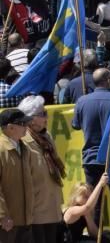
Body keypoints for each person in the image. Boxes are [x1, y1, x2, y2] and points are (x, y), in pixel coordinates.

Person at [71, 68, 110, 243]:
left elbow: (75, 125)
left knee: (94, 202)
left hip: (91, 158)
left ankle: (96, 237)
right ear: (109, 80)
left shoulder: (82, 101)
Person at [18, 97, 64, 243]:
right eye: (43, 113)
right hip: (36, 210)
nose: (47, 116)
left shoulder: (46, 136)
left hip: (51, 206)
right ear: (31, 119)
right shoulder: (23, 141)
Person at [0, 108, 35, 243]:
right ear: (10, 127)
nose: (26, 127)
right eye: (22, 124)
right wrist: (2, 215)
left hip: (25, 221)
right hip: (7, 223)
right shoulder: (1, 149)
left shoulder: (24, 148)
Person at [62, 177, 110, 243]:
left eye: (90, 196)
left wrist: (88, 216)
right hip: (69, 241)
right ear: (75, 196)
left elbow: (94, 234)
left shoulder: (85, 212)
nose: (89, 199)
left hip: (78, 238)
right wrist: (100, 184)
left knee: (108, 235)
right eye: (85, 196)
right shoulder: (72, 210)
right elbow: (87, 207)